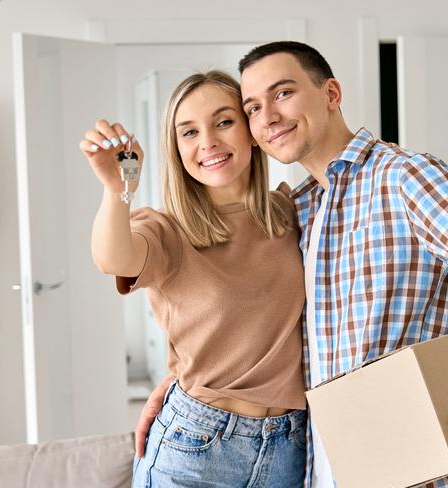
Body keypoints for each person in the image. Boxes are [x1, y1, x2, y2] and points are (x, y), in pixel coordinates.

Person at [136, 42, 448, 488]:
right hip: (323, 471)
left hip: (417, 471)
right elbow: (263, 324)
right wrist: (184, 388)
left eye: (284, 93)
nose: (268, 116)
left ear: (331, 94)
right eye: (252, 107)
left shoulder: (403, 177)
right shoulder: (297, 211)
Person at [80, 70, 308, 487]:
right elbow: (111, 257)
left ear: (252, 131)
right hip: (197, 448)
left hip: (291, 447)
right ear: (176, 148)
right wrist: (118, 188)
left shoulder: (291, 212)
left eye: (223, 122)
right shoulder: (167, 230)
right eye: (188, 132)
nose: (208, 142)